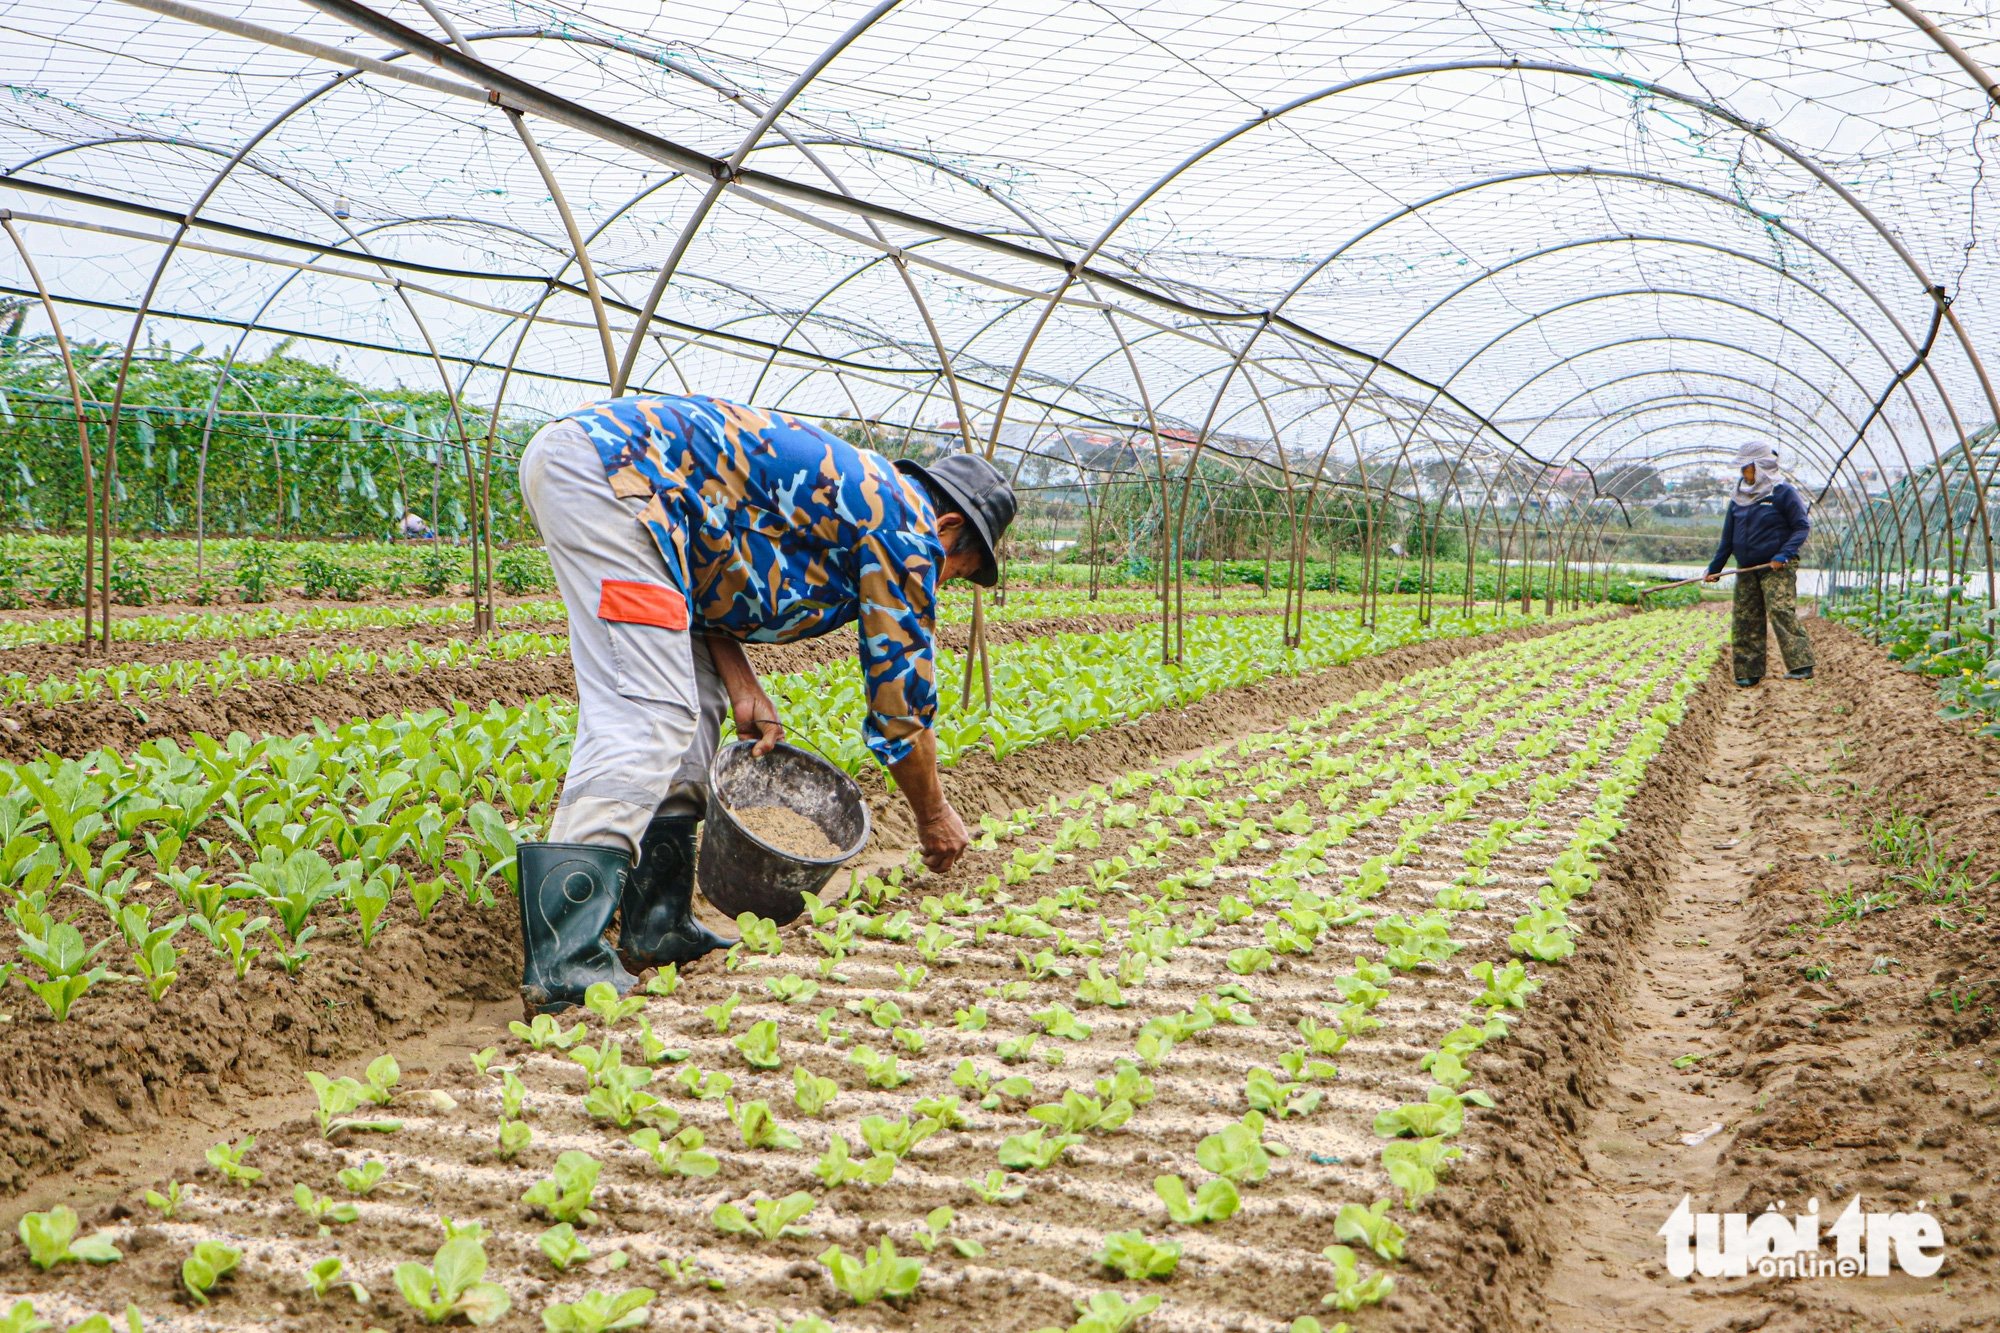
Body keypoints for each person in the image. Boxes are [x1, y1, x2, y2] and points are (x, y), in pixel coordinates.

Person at [512, 394, 1016, 1013]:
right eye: (959, 571)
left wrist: (742, 682)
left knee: (696, 708)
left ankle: (657, 927)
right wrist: (934, 816)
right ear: (948, 530)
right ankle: (565, 964)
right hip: (613, 475)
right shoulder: (909, 530)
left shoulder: (867, 496)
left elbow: (705, 563)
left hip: (625, 484)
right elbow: (901, 711)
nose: (946, 582)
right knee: (648, 712)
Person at [1703, 440, 1813, 687]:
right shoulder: (1738, 498)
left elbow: (1801, 526)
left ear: (1762, 467)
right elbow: (1727, 539)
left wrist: (1783, 555)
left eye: (1747, 467)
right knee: (1745, 616)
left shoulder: (1782, 492)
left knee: (1779, 609)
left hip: (1777, 565)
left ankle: (1801, 665)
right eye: (1742, 468)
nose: (1744, 473)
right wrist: (1715, 569)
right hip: (1747, 567)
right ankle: (1748, 671)